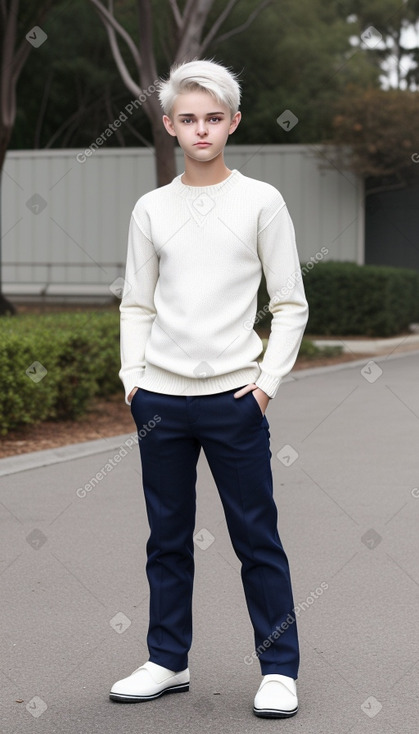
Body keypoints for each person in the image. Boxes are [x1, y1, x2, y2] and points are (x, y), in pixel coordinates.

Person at [110, 58, 309, 719]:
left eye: (213, 118)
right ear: (169, 126)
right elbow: (136, 304)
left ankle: (278, 669)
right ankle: (166, 659)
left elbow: (289, 303)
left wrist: (264, 386)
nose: (200, 130)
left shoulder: (261, 202)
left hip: (234, 401)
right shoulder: (151, 207)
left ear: (232, 123)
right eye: (187, 119)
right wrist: (133, 380)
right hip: (159, 403)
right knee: (165, 537)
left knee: (256, 537)